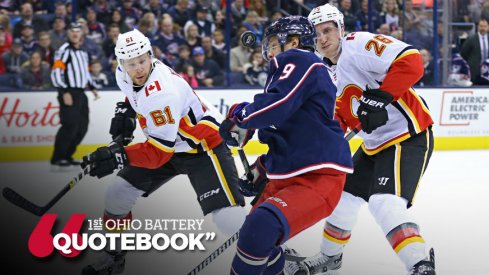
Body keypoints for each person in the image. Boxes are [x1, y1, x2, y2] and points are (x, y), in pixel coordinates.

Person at [80, 29, 247, 275]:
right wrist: (126, 111)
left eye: (142, 61)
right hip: (168, 144)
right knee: (117, 193)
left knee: (229, 219)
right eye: (131, 63)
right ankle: (113, 256)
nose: (138, 68)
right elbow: (134, 96)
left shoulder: (162, 93)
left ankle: (278, 257)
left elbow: (159, 154)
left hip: (202, 147)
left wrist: (118, 155)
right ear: (121, 63)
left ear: (150, 55)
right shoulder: (123, 75)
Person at [285, 4, 436, 275]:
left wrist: (381, 97)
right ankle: (330, 257)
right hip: (373, 144)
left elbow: (412, 61)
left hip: (407, 135)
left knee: (384, 202)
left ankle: (420, 264)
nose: (323, 38)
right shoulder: (323, 71)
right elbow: (339, 119)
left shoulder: (359, 44)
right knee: (342, 199)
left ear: (341, 29)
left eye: (328, 30)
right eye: (317, 34)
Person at [219, 16, 353, 275]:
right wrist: (261, 168)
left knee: (260, 230)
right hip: (290, 174)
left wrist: (242, 118)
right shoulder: (287, 73)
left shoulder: (301, 59)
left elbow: (277, 106)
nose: (269, 51)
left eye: (272, 43)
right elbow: (287, 129)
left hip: (316, 176)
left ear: (293, 42)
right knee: (255, 238)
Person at [50, 22, 99, 169]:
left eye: (78, 31)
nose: (75, 33)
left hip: (81, 93)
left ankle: (67, 155)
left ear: (82, 34)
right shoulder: (64, 50)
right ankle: (58, 158)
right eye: (72, 31)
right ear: (68, 34)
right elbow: (56, 72)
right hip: (69, 92)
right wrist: (63, 91)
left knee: (82, 127)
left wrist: (92, 87)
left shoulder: (83, 52)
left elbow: (85, 72)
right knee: (69, 125)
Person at [460, 17, 489, 85]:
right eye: (481, 26)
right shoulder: (471, 39)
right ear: (478, 27)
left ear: (488, 27)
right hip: (475, 73)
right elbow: (463, 54)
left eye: (485, 26)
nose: (483, 28)